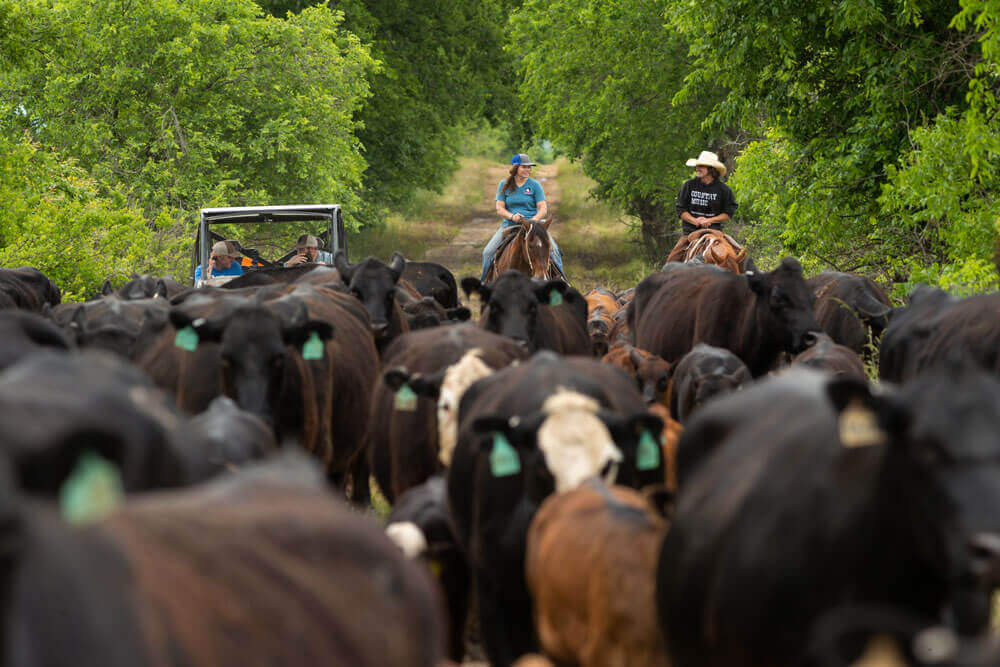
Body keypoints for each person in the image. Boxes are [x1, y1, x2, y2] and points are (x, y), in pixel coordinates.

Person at [481, 153, 563, 281]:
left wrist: (534, 220)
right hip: (510, 225)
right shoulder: (504, 184)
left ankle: (562, 283)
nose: (528, 170)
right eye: (524, 167)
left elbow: (543, 208)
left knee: (555, 251)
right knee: (487, 252)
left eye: (529, 167)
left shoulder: (535, 185)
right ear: (515, 168)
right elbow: (500, 208)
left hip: (533, 226)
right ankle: (485, 284)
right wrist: (512, 216)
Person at [675, 150, 738, 235]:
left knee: (736, 248)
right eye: (697, 166)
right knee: (676, 249)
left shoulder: (723, 189)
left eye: (701, 166)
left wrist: (710, 220)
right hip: (689, 233)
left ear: (711, 168)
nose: (697, 169)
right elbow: (681, 209)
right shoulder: (688, 185)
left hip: (714, 232)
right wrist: (695, 221)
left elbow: (728, 213)